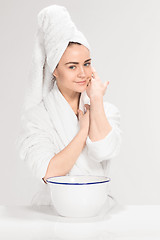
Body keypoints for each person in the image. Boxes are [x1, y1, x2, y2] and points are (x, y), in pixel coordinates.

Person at [16, 5, 122, 205]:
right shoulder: (37, 117)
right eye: (72, 66)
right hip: (53, 210)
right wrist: (83, 132)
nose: (83, 73)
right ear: (54, 70)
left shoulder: (106, 110)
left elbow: (104, 150)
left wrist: (97, 101)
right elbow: (49, 172)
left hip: (97, 208)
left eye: (87, 63)